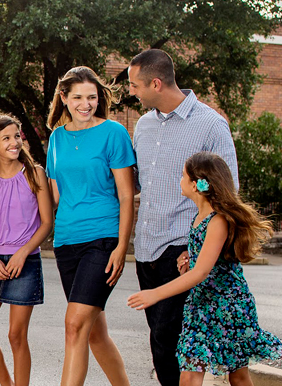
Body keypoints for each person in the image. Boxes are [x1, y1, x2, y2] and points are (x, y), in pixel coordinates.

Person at [127, 49, 239, 386]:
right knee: (161, 343)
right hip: (146, 248)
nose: (132, 92)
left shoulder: (210, 125)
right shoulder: (143, 126)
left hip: (181, 252)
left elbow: (227, 191)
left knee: (167, 342)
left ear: (156, 83)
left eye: (135, 85)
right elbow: (136, 184)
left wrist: (202, 247)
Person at [127, 152, 282, 385]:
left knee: (238, 377)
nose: (179, 181)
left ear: (196, 184)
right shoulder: (199, 216)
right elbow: (204, 260)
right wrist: (190, 257)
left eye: (182, 176)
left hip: (227, 307)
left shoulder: (218, 220)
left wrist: (155, 294)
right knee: (189, 375)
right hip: (200, 306)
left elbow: (201, 273)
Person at [45, 66, 134, 386]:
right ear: (64, 98)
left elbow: (126, 195)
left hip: (103, 239)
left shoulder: (113, 133)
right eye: (78, 97)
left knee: (73, 324)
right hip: (66, 242)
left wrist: (122, 246)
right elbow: (55, 197)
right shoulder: (57, 138)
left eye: (92, 97)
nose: (86, 103)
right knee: (94, 333)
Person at [0, 114, 53, 386]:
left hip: (25, 262)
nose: (15, 142)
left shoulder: (35, 174)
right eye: (7, 138)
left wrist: (23, 252)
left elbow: (47, 223)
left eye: (17, 136)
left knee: (16, 335)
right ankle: (7, 383)